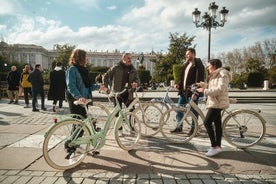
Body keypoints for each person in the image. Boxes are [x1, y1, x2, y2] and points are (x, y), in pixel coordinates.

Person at [196, 59, 232, 157]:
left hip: (217, 102)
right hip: (215, 101)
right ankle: (218, 147)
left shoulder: (222, 73)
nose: (207, 68)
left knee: (207, 122)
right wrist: (203, 85)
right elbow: (213, 86)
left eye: (209, 66)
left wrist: (204, 91)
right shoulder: (216, 74)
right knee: (217, 125)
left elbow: (220, 89)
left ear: (214, 65)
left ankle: (214, 146)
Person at [172, 48, 205, 134]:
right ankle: (179, 127)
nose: (186, 55)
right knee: (179, 109)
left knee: (194, 112)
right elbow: (183, 79)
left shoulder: (198, 65)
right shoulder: (186, 64)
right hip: (184, 92)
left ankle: (194, 130)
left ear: (194, 54)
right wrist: (178, 84)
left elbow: (199, 80)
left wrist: (196, 93)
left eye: (188, 54)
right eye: (186, 54)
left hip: (192, 92)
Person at [66, 49, 92, 118]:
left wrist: (99, 87)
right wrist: (79, 97)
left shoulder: (84, 70)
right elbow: (71, 86)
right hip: (76, 98)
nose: (87, 59)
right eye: (85, 57)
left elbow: (87, 85)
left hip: (84, 98)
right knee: (77, 122)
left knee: (83, 121)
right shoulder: (72, 69)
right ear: (80, 58)